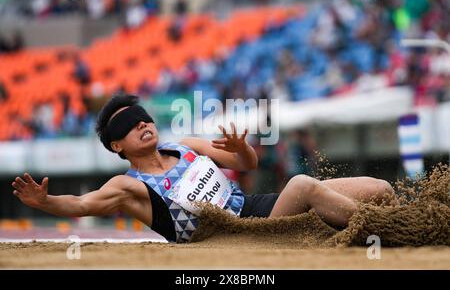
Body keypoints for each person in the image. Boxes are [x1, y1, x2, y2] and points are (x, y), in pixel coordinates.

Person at [12, 93, 396, 243]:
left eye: (144, 119)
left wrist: (241, 149)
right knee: (303, 185)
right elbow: (80, 207)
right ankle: (393, 234)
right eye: (129, 127)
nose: (142, 125)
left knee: (378, 189)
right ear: (117, 145)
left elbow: (248, 163)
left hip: (256, 210)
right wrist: (44, 202)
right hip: (232, 239)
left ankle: (391, 225)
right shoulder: (129, 186)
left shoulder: (186, 146)